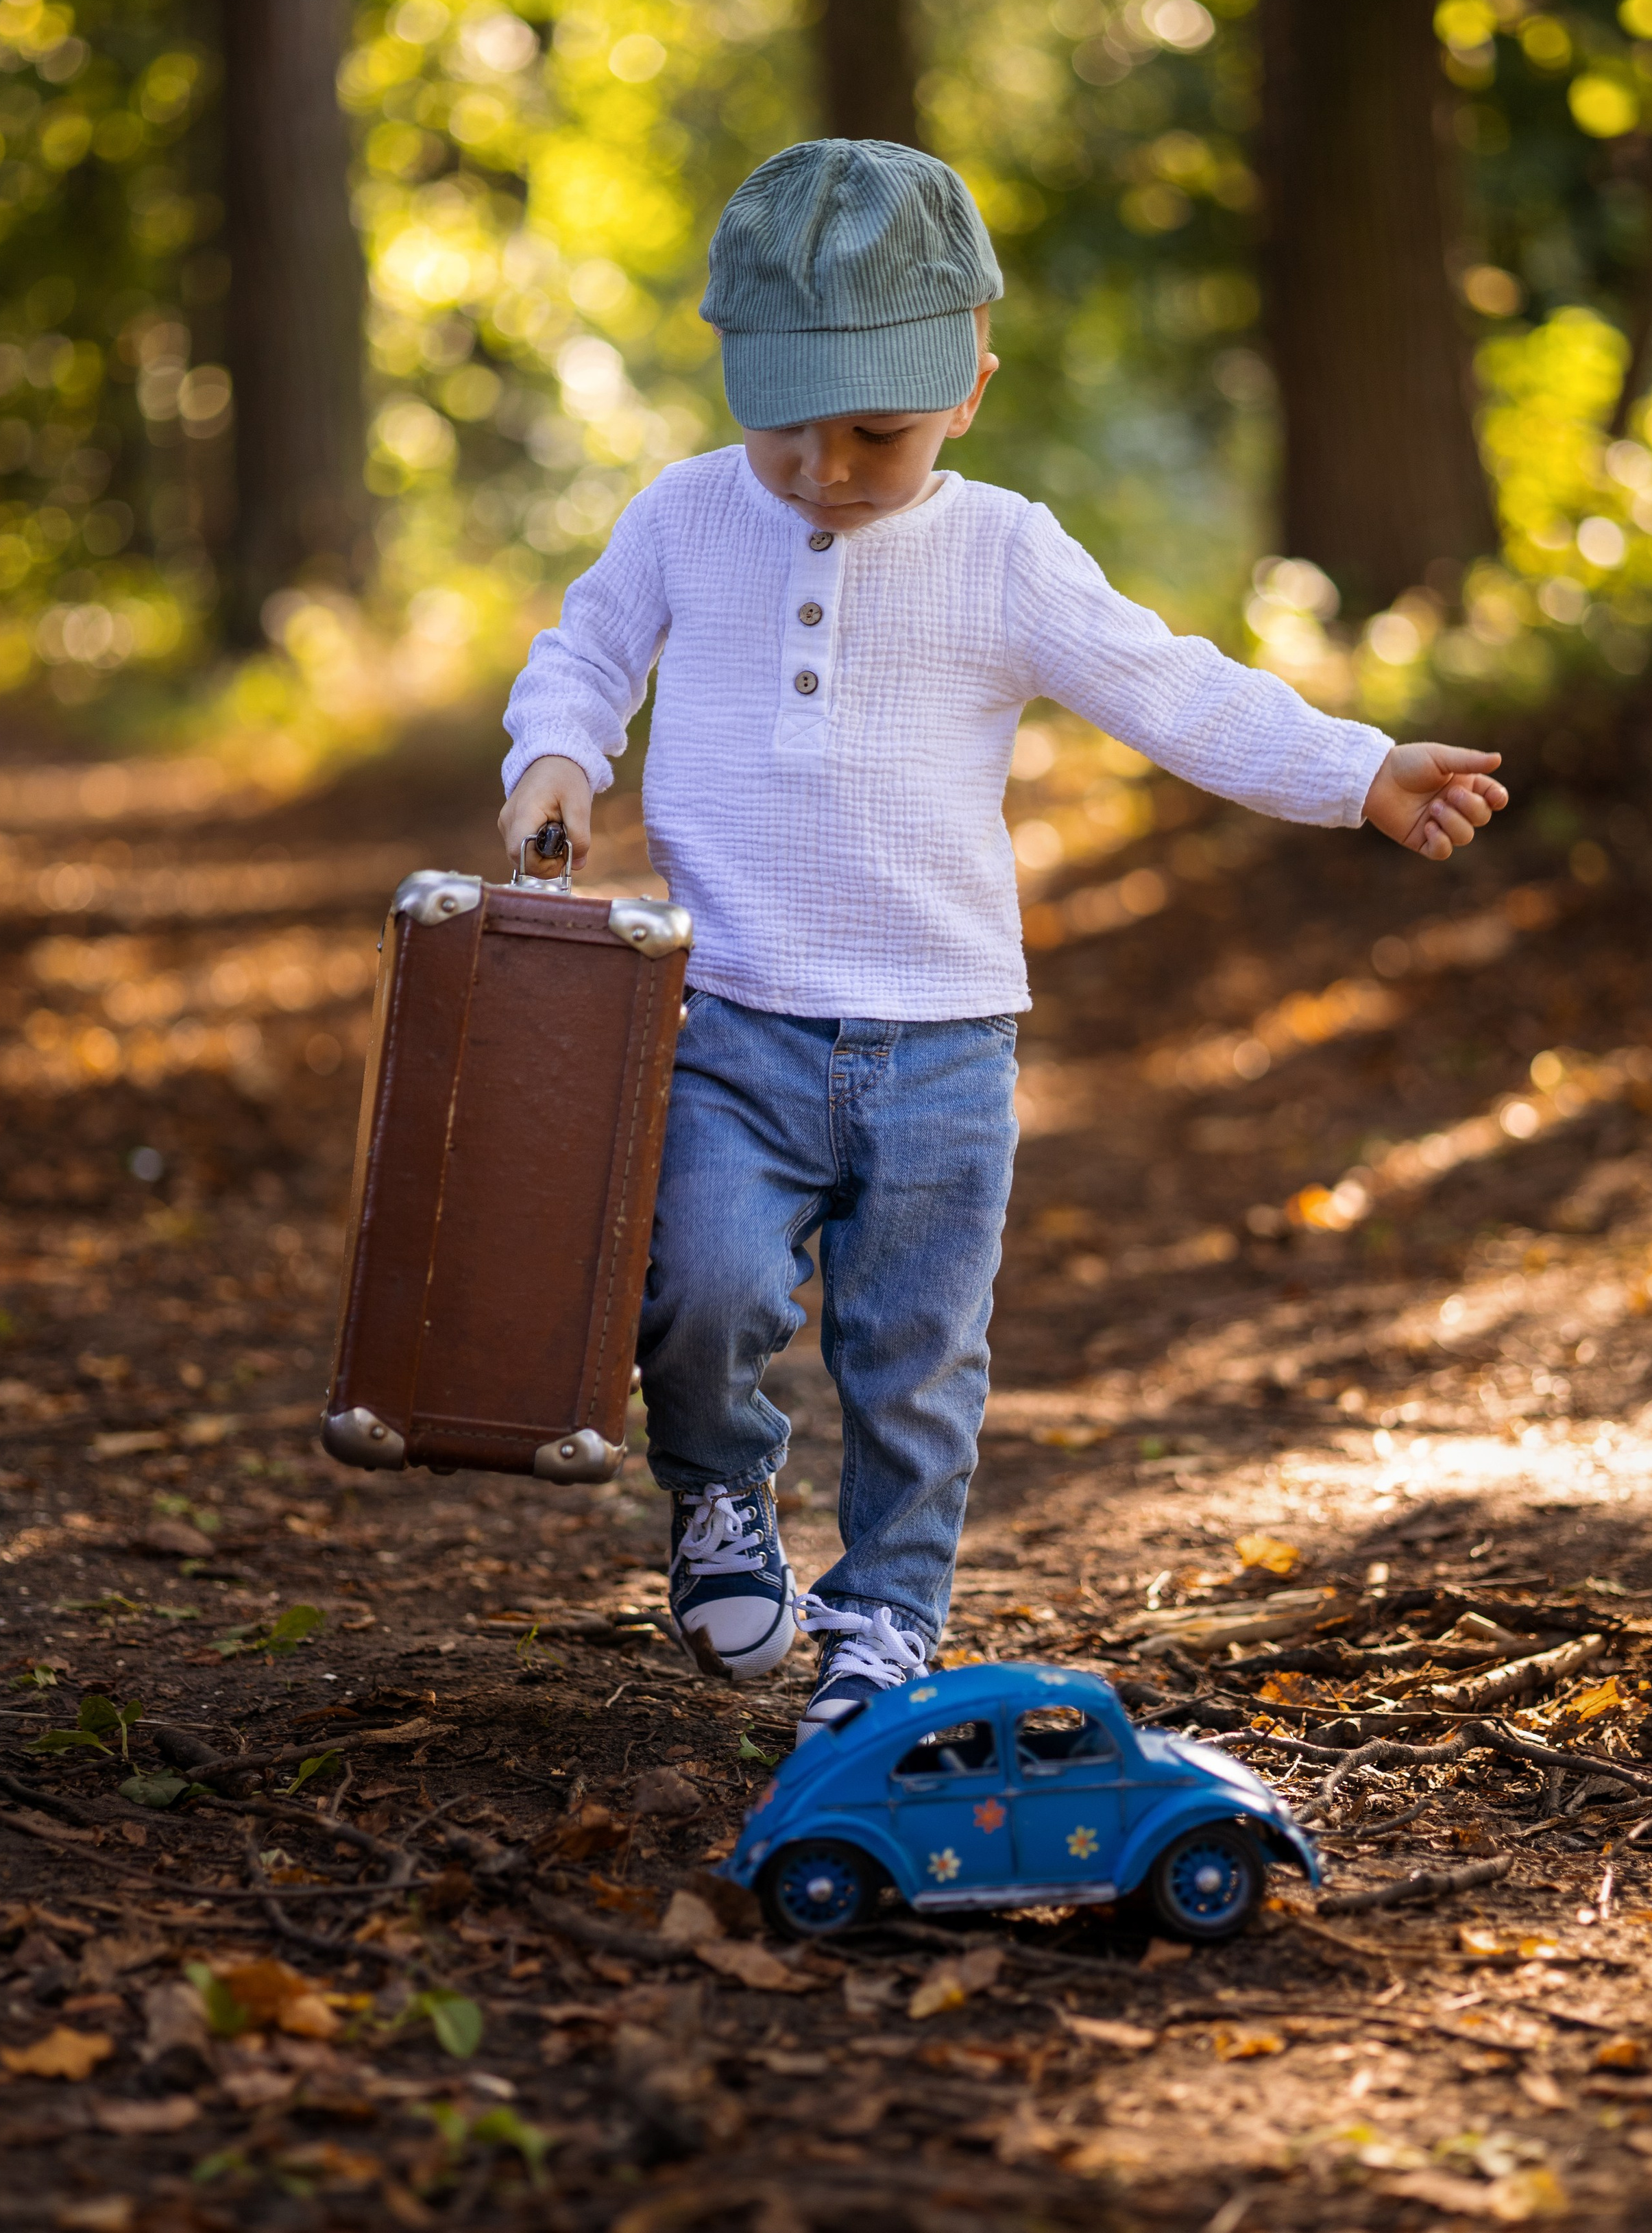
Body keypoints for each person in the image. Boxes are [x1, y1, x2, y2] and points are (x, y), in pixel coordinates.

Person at [497, 138, 1507, 1741]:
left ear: (968, 381)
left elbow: (1172, 688)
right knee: (693, 1287)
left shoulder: (1003, 552)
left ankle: (886, 1618)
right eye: (787, 430)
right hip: (730, 1019)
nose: (825, 469)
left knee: (914, 1359)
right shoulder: (688, 516)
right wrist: (555, 755)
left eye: (873, 433)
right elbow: (585, 650)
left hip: (940, 1043)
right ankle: (717, 1499)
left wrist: (1356, 772)